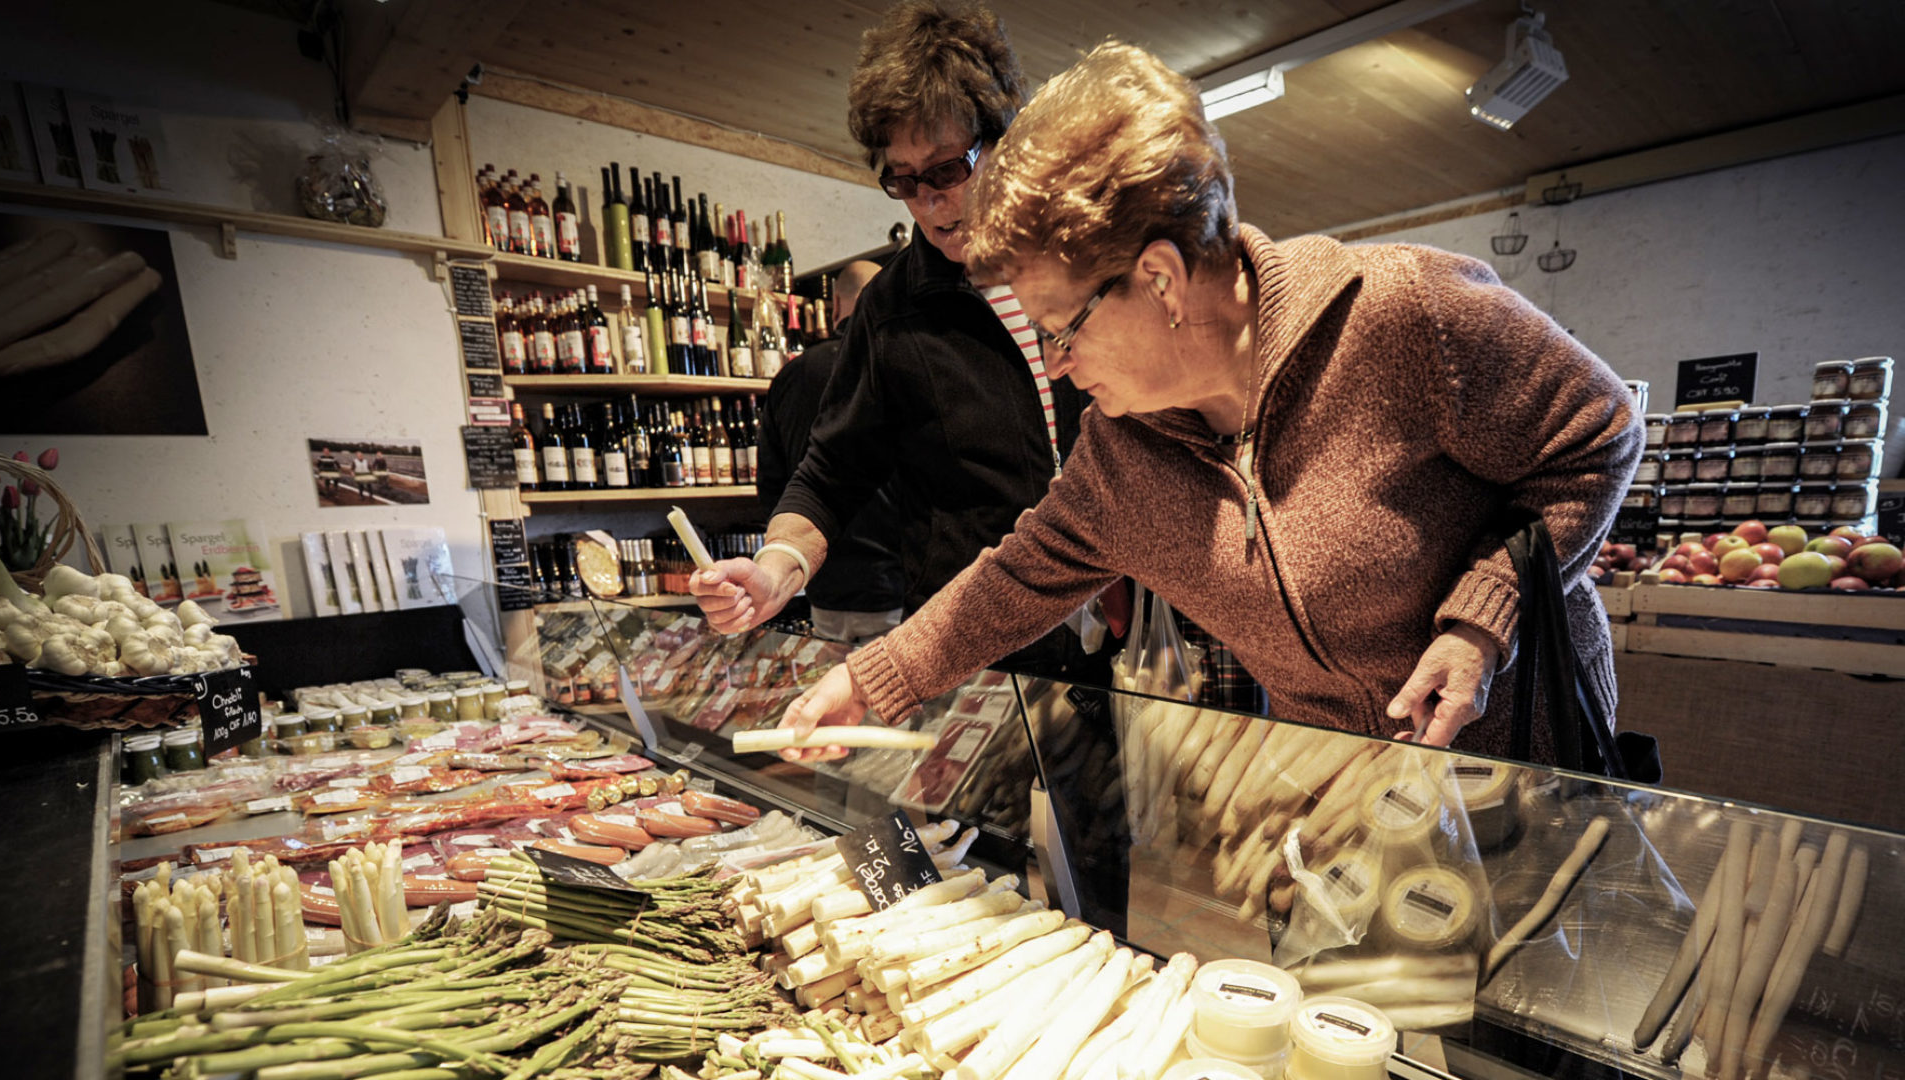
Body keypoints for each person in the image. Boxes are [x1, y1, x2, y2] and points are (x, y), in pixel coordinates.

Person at [771, 42, 1643, 763]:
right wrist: (868, 680)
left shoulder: (1403, 314)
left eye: (1061, 330)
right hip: (1351, 782)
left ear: (1158, 279)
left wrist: (1480, 623)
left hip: (1532, 759)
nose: (1062, 368)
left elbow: (1596, 437)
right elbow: (1016, 578)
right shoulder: (1123, 450)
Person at [690, 0, 1109, 681]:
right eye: (902, 181)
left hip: (1129, 642)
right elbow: (830, 473)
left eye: (947, 170)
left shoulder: (1089, 255)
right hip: (982, 658)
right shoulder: (893, 309)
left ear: (1005, 138)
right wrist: (776, 572)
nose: (929, 202)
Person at [757, 261, 904, 643]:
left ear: (835, 306)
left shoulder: (790, 376)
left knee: (834, 699)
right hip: (894, 589)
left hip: (820, 587)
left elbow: (772, 489)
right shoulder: (896, 366)